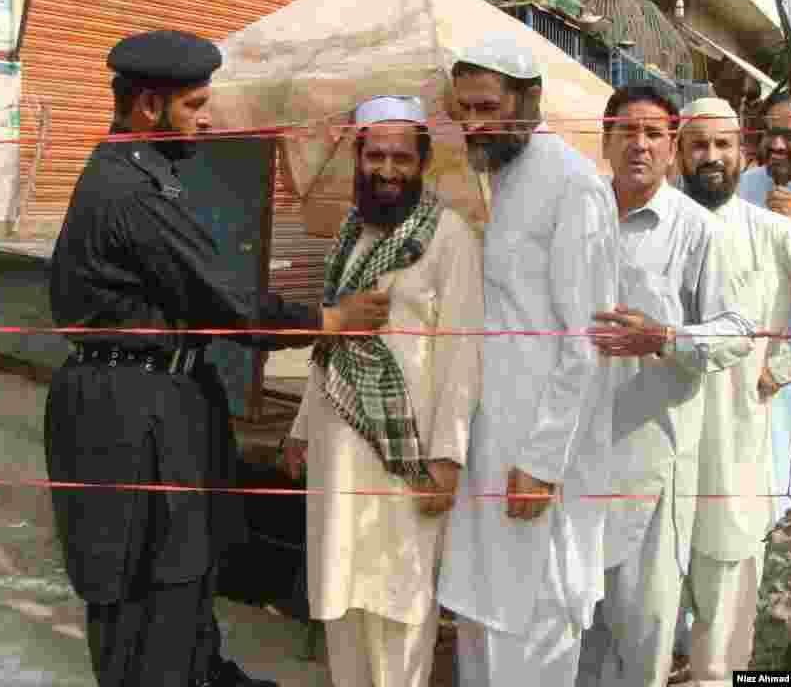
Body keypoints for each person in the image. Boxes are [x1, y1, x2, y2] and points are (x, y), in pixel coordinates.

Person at [44, 30, 390, 687]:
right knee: (152, 594)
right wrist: (332, 321)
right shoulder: (132, 193)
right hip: (134, 418)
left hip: (144, 403)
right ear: (149, 106)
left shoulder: (131, 171)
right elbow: (230, 302)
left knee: (179, 587)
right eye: (194, 104)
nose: (206, 118)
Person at [277, 94, 483, 687]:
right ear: (357, 159)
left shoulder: (452, 239)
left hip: (407, 461)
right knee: (342, 604)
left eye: (401, 158)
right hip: (339, 459)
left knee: (399, 607)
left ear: (423, 164)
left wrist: (447, 457)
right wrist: (301, 429)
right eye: (375, 156)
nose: (387, 170)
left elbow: (462, 355)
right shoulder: (350, 234)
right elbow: (331, 340)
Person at [436, 35, 620, 687]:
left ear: (530, 98)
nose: (474, 124)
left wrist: (542, 462)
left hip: (539, 468)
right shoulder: (504, 179)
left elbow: (588, 339)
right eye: (463, 111)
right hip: (492, 453)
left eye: (487, 107)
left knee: (535, 629)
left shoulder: (574, 188)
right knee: (485, 631)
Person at [576, 85, 754, 687]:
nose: (640, 144)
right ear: (605, 140)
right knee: (573, 631)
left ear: (671, 147)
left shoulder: (697, 230)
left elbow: (736, 332)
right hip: (573, 458)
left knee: (644, 632)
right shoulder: (577, 218)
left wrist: (665, 339)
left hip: (654, 465)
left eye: (655, 133)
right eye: (628, 130)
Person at [676, 98, 791, 679]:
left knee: (726, 606)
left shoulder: (775, 234)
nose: (712, 157)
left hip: (735, 439)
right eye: (698, 145)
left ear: (740, 152)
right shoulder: (658, 226)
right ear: (679, 152)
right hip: (662, 442)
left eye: (723, 146)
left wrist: (783, 365)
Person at [738, 90, 791, 519]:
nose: (778, 145)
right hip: (734, 349)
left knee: (771, 476)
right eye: (770, 133)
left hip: (789, 362)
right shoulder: (744, 187)